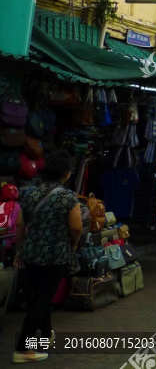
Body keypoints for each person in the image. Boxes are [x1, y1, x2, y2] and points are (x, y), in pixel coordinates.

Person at [13, 150, 82, 364]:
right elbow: (76, 227)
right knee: (43, 299)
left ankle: (45, 337)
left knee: (40, 295)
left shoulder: (30, 194)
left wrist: (20, 250)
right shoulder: (67, 197)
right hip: (56, 255)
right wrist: (73, 245)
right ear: (65, 173)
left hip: (32, 254)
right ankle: (23, 349)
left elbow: (19, 224)